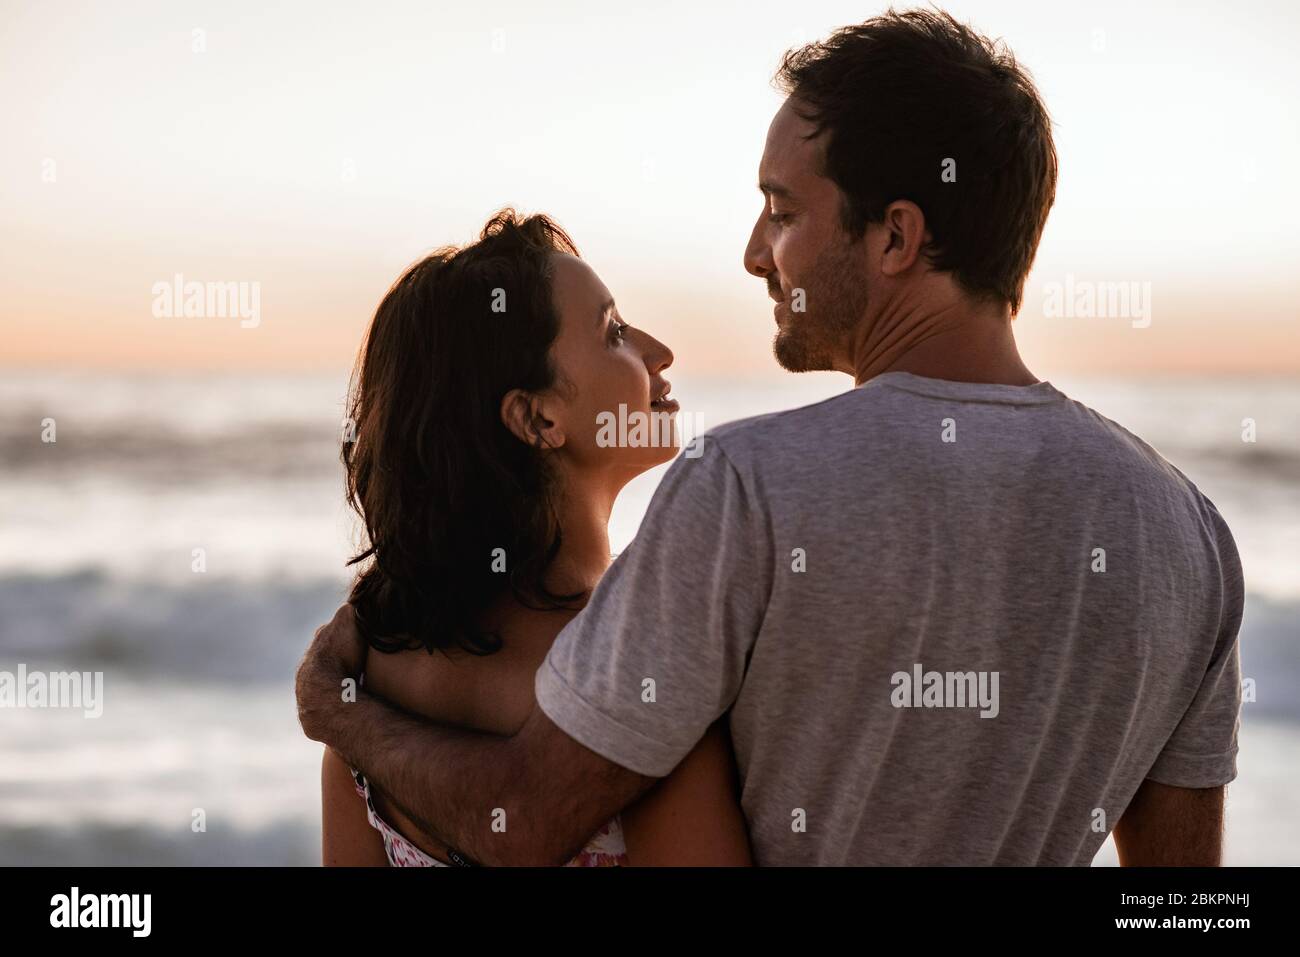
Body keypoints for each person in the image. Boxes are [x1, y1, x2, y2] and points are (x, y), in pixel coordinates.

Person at [299, 9, 1243, 866]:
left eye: (784, 213)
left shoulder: (745, 487)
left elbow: (531, 816)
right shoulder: (1189, 537)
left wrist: (341, 717)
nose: (756, 252)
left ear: (896, 238)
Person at [319, 209, 751, 866]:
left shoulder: (371, 678)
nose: (658, 350)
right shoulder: (634, 666)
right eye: (612, 333)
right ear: (538, 417)